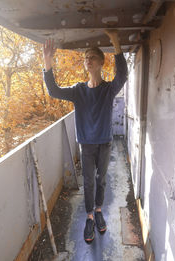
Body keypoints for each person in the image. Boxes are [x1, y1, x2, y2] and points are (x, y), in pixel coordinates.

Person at [42, 30, 128, 243]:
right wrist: (47, 60)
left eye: (92, 57)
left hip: (105, 143)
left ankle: (99, 211)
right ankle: (90, 215)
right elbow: (53, 90)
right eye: (85, 58)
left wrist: (116, 41)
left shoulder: (108, 89)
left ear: (101, 63)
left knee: (101, 180)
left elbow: (123, 75)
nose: (87, 60)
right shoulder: (78, 90)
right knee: (88, 181)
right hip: (86, 145)